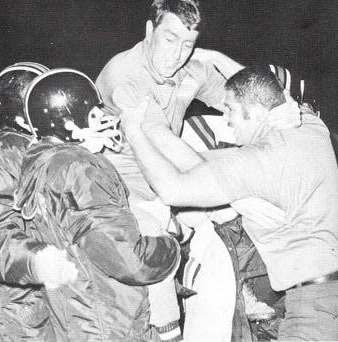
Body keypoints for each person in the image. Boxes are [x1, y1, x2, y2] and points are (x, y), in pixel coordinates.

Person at [121, 66, 338, 341]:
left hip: (313, 307)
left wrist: (134, 132)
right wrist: (154, 123)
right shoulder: (310, 128)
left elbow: (174, 189)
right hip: (321, 297)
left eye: (231, 109)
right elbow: (198, 164)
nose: (226, 119)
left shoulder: (263, 158)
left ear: (257, 110)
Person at [96, 1, 244, 339]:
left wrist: (217, 58)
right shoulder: (125, 74)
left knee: (235, 230)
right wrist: (225, 183)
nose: (176, 55)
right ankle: (170, 332)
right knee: (157, 259)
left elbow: (253, 102)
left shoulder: (190, 67)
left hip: (166, 188)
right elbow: (161, 140)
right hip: (122, 193)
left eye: (187, 44)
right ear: (149, 32)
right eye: (169, 39)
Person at [13, 68, 181, 341]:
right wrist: (170, 246)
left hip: (79, 313)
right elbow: (127, 259)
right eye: (93, 115)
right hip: (108, 317)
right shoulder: (79, 169)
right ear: (66, 124)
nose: (103, 119)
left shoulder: (44, 162)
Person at [0, 62, 79, 340]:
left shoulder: (46, 146)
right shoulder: (2, 153)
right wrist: (41, 260)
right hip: (23, 291)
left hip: (60, 282)